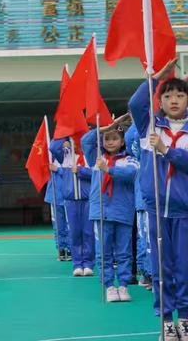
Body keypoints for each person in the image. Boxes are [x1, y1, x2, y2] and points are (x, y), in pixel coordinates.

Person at [129, 58, 188, 340]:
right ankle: (166, 319)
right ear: (160, 101)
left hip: (184, 211)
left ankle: (185, 318)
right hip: (156, 210)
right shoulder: (149, 127)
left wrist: (167, 150)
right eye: (168, 95)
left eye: (179, 95)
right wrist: (155, 77)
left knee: (185, 266)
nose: (174, 100)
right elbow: (135, 104)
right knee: (161, 267)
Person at [82, 117, 138, 303]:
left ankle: (123, 284)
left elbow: (131, 174)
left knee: (124, 251)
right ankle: (108, 286)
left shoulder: (130, 159)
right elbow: (85, 140)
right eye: (106, 138)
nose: (110, 142)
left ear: (122, 141)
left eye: (114, 138)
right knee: (104, 252)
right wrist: (106, 127)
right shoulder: (96, 158)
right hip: (101, 212)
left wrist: (109, 170)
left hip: (123, 212)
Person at [50, 137, 93, 277]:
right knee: (74, 233)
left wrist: (80, 170)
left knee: (87, 232)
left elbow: (96, 173)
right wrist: (63, 140)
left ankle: (88, 263)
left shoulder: (89, 155)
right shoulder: (66, 155)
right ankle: (77, 264)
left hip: (86, 200)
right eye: (72, 139)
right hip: (70, 200)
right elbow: (53, 147)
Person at [125, 122, 153, 290]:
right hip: (145, 197)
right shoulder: (136, 131)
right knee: (146, 237)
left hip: (168, 198)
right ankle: (148, 273)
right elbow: (132, 144)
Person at [45, 160, 71, 261]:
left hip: (70, 195)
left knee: (70, 225)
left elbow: (74, 171)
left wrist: (58, 169)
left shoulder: (73, 155)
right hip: (55, 196)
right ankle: (60, 248)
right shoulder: (50, 156)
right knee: (58, 225)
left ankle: (70, 249)